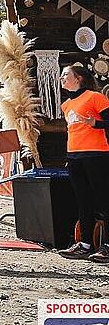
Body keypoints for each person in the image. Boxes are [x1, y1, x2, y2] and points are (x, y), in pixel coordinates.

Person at [57, 65, 109, 262]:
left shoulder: (95, 97)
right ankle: (85, 244)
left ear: (78, 78)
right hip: (74, 157)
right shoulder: (66, 105)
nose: (62, 77)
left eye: (66, 75)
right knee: (83, 201)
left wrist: (96, 124)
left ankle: (107, 246)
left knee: (104, 201)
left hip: (97, 156)